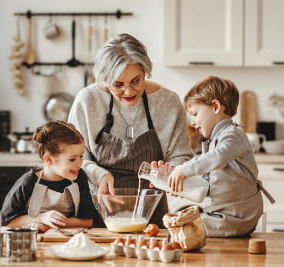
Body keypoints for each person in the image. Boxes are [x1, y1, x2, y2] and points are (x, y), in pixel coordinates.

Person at [68, 33, 192, 227]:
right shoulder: (87, 101)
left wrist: (170, 170)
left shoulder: (168, 102)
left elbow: (182, 155)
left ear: (145, 72)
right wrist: (100, 175)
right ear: (104, 79)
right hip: (99, 209)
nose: (128, 92)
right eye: (118, 85)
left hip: (152, 214)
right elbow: (75, 158)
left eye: (136, 81)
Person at [167, 76, 275, 237]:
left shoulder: (233, 135)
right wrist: (182, 185)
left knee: (182, 228)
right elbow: (209, 183)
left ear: (216, 107)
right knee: (179, 217)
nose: (193, 122)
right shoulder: (215, 140)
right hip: (223, 212)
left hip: (236, 217)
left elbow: (216, 158)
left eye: (195, 114)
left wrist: (184, 169)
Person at [1, 121, 97, 233]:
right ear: (49, 159)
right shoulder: (28, 182)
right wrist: (41, 218)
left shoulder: (80, 178)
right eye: (72, 159)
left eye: (81, 156)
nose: (79, 163)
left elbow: (89, 221)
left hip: (71, 241)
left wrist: (52, 224)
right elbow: (7, 221)